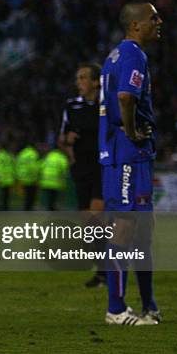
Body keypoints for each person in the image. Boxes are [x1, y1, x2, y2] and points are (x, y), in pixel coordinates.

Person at [99, 2, 163, 325]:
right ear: (136, 25)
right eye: (153, 17)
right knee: (125, 229)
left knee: (143, 231)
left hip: (133, 155)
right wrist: (131, 130)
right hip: (126, 152)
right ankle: (116, 308)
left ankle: (149, 305)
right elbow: (126, 97)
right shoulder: (133, 54)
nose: (159, 21)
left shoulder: (115, 55)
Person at [59, 63, 106, 287]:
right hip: (81, 169)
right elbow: (62, 137)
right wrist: (68, 146)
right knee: (89, 224)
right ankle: (103, 271)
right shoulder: (71, 106)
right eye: (78, 78)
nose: (79, 82)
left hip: (102, 166)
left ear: (96, 82)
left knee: (98, 215)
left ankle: (111, 268)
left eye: (83, 78)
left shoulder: (108, 104)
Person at [38, 145, 69, 211]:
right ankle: (52, 208)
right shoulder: (61, 157)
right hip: (55, 181)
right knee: (53, 196)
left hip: (46, 180)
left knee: (49, 196)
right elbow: (64, 169)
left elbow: (41, 166)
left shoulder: (48, 156)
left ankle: (50, 207)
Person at [15, 144, 40, 210]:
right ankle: (29, 209)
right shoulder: (33, 154)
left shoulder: (22, 153)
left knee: (26, 195)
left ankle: (26, 208)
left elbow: (18, 165)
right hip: (31, 178)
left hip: (23, 177)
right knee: (31, 195)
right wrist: (36, 177)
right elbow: (33, 167)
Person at [0, 143, 15, 210]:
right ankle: (5, 208)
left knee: (0, 195)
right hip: (8, 178)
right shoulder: (9, 155)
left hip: (0, 177)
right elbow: (14, 164)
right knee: (6, 195)